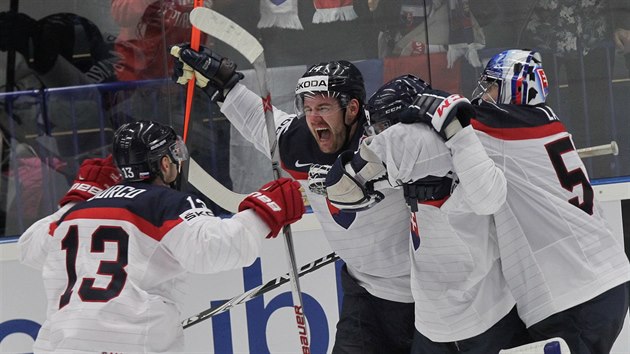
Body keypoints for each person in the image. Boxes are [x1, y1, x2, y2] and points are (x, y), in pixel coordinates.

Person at [171, 44, 415, 353]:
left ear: (352, 109)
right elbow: (264, 124)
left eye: (323, 108)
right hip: (363, 292)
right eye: (308, 108)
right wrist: (224, 86)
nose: (313, 118)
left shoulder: (388, 137)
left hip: (425, 292)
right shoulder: (301, 140)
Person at [17, 120, 305, 353]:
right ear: (165, 164)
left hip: (58, 346)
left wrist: (78, 198)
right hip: (130, 344)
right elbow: (214, 248)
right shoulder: (166, 204)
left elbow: (30, 248)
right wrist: (264, 210)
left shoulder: (77, 212)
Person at [411, 49, 630, 353]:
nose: (484, 95)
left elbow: (450, 121)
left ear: (515, 88)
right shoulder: (539, 123)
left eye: (491, 86)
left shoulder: (504, 125)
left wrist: (411, 108)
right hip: (592, 284)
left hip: (574, 295)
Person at [324, 74, 532, 353]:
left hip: (485, 317)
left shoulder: (440, 151)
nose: (377, 136)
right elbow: (347, 187)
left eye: (383, 127)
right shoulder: (425, 158)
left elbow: (344, 186)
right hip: (435, 322)